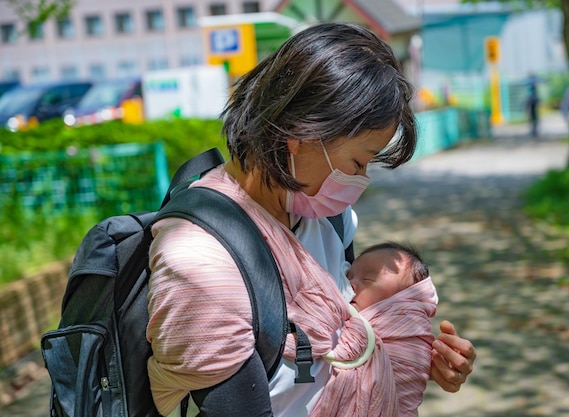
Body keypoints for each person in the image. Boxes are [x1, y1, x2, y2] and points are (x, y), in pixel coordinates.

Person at [146, 22, 475, 417]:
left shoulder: (329, 219)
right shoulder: (200, 262)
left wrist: (409, 360)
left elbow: (345, 339)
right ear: (301, 132)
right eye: (358, 161)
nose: (360, 181)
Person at [311, 242, 437, 417]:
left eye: (367, 279)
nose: (351, 285)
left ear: (403, 298)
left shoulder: (407, 326)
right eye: (348, 277)